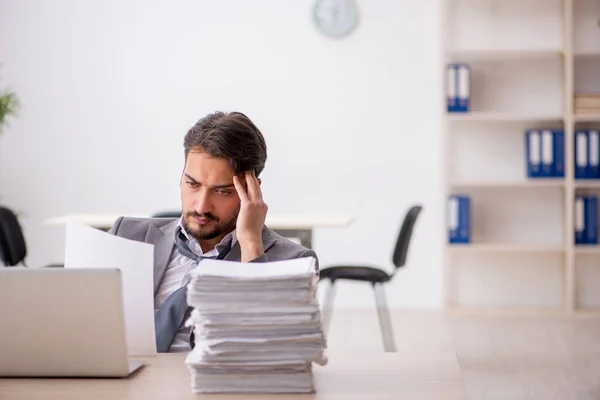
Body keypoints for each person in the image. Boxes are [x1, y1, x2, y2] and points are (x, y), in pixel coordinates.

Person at [108, 111, 318, 353]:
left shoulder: (293, 261)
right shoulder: (126, 235)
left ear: (252, 191)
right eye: (192, 184)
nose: (201, 206)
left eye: (222, 191)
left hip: (217, 386)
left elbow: (268, 353)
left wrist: (251, 244)